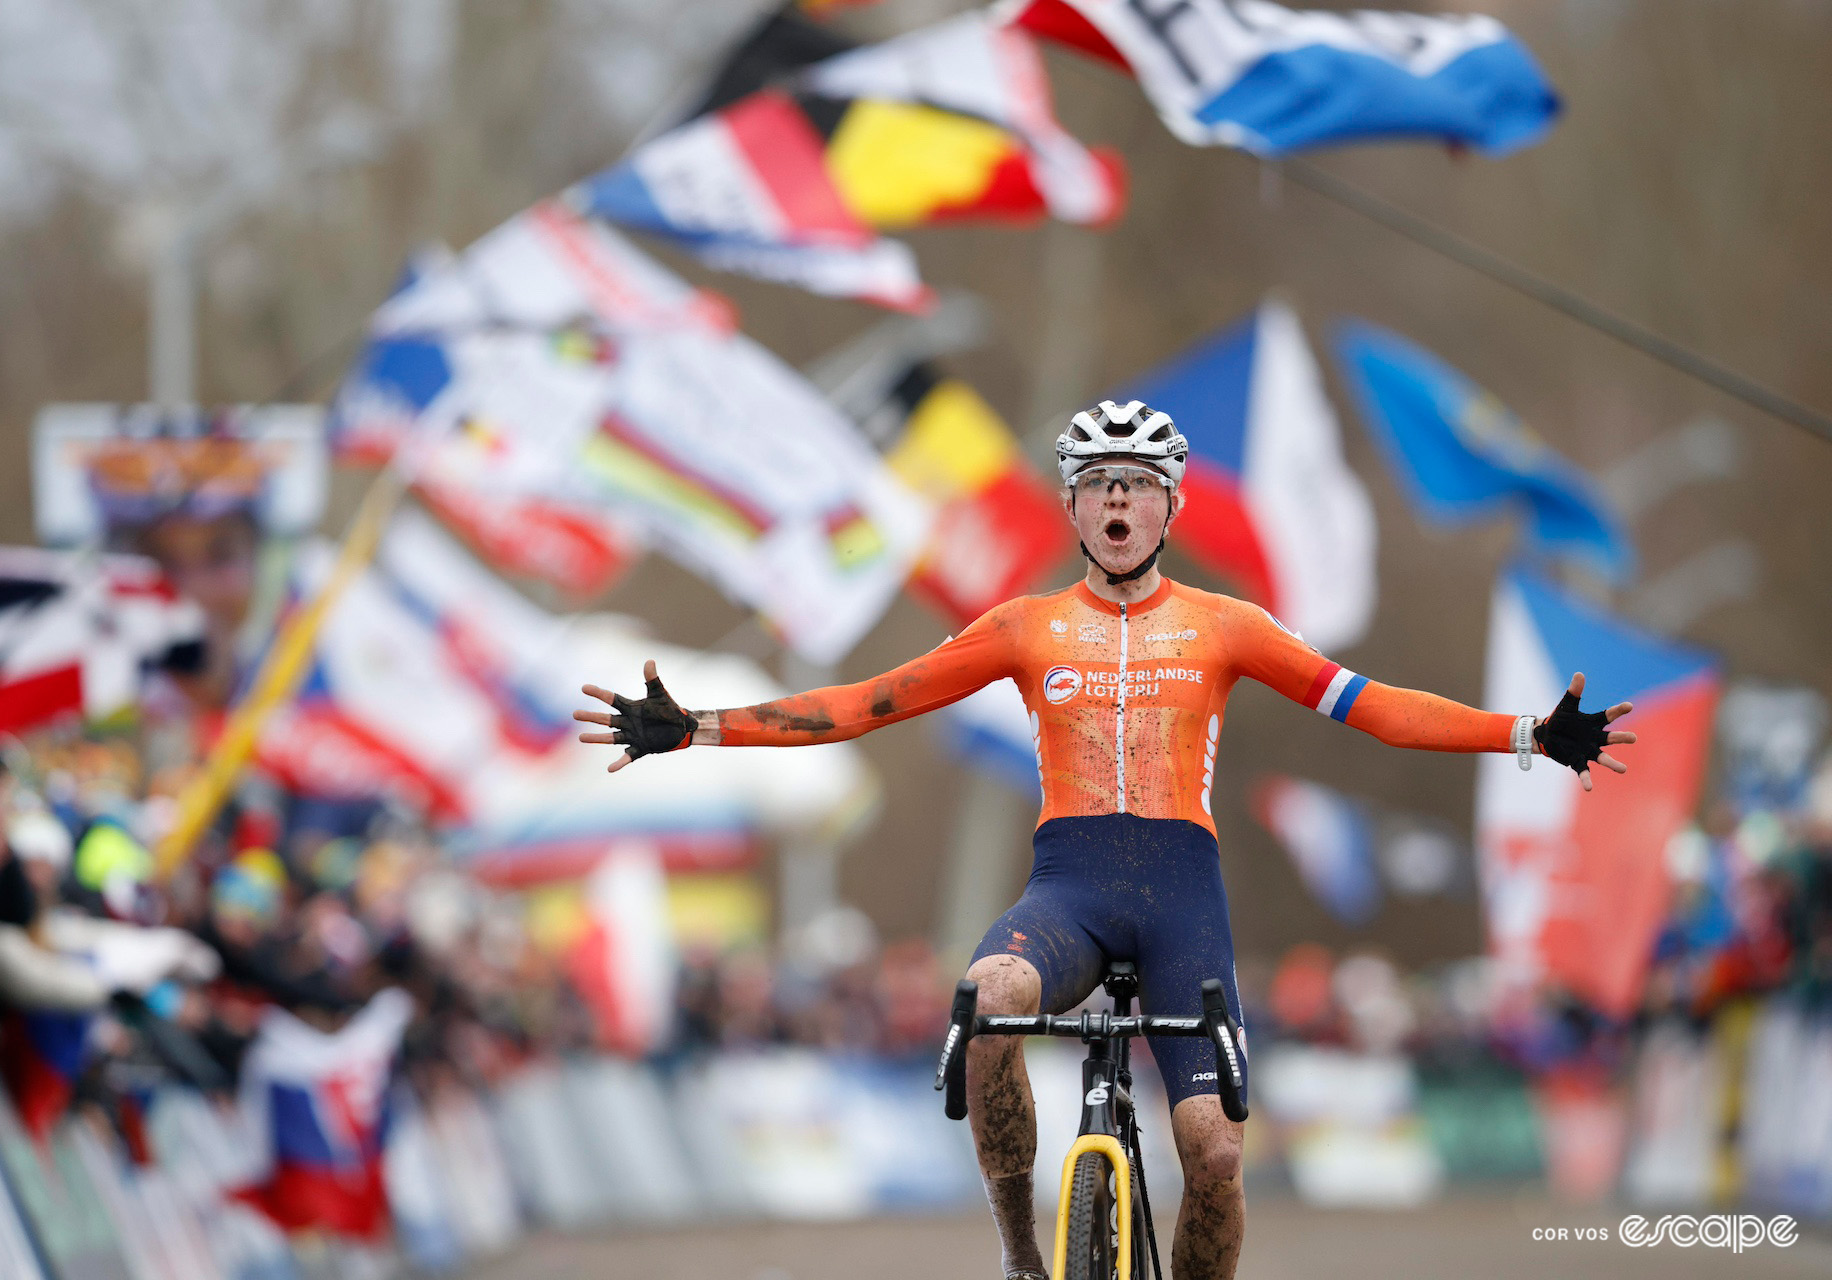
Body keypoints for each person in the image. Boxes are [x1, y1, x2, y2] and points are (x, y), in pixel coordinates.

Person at [576, 400, 1636, 1280]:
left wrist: (1527, 733)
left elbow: (1374, 706)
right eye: (1097, 484)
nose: (1117, 501)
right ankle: (1017, 1253)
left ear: (1168, 503)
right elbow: (865, 702)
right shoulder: (1023, 626)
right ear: (1075, 506)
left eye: (1135, 484)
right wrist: (701, 725)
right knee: (987, 997)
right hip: (1069, 887)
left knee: (1213, 1150)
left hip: (1184, 893)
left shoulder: (1227, 624)